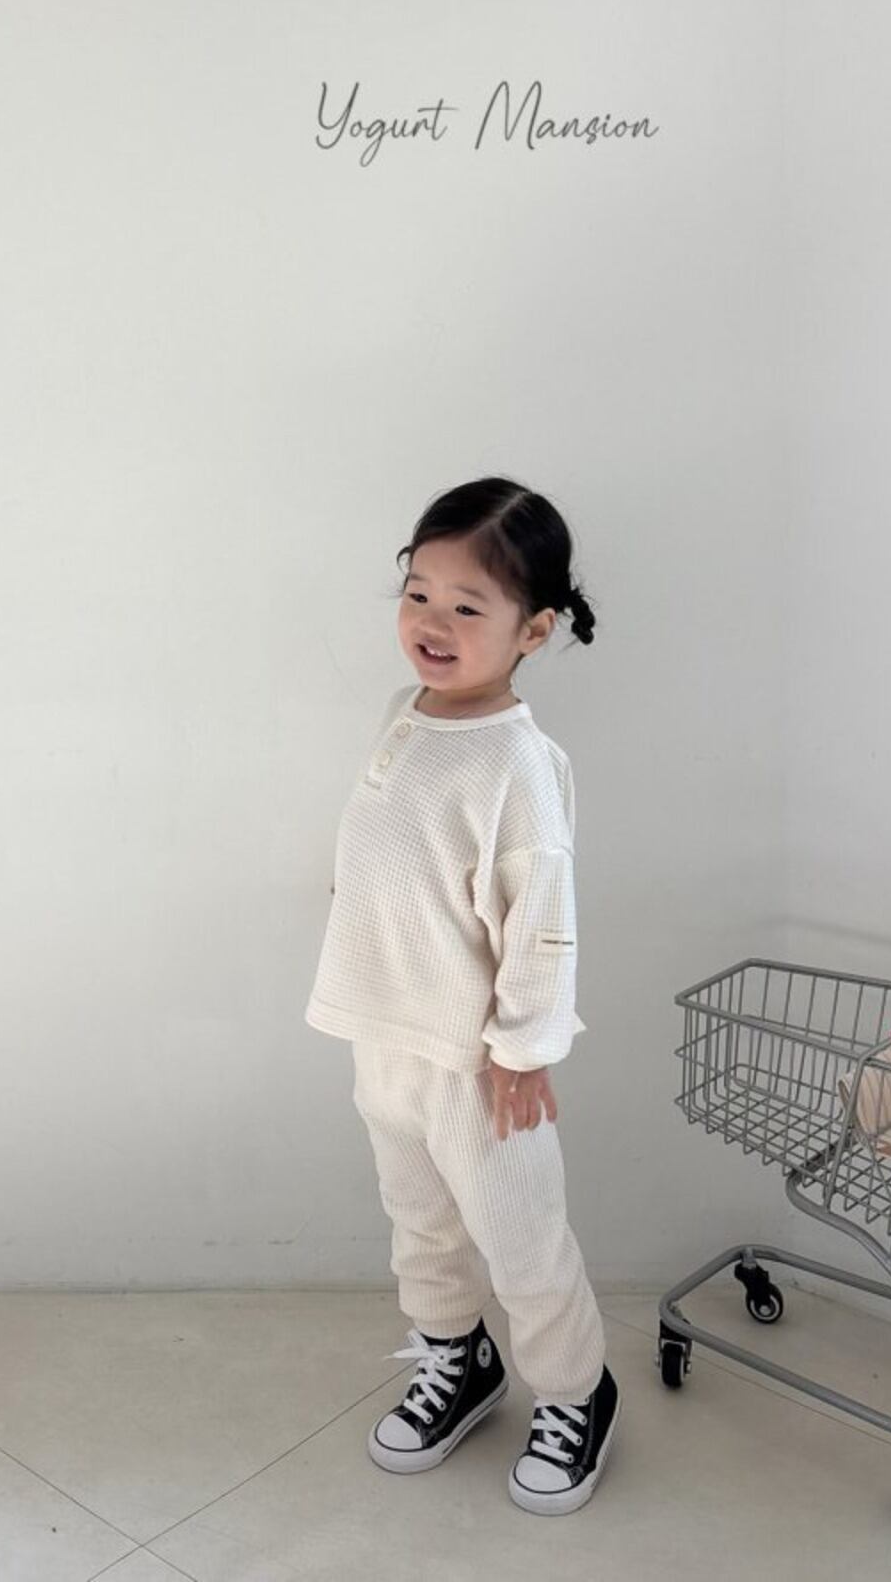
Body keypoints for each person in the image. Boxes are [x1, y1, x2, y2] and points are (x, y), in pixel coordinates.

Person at [305, 476, 620, 1516]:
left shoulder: (518, 763)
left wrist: (522, 1049)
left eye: (466, 606)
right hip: (385, 1031)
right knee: (421, 1221)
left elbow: (543, 920)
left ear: (532, 630)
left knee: (520, 1235)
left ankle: (574, 1391)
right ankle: (457, 1356)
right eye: (418, 594)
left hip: (478, 1063)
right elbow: (394, 848)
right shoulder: (405, 716)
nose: (431, 623)